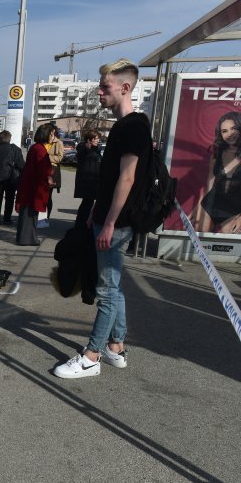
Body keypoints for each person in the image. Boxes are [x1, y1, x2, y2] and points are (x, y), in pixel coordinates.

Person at [54, 58, 151, 379]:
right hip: (108, 217)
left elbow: (127, 178)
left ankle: (91, 357)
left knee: (107, 291)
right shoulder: (124, 126)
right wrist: (96, 211)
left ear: (125, 88)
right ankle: (116, 347)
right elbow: (111, 180)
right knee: (114, 285)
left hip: (117, 222)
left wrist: (108, 222)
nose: (99, 92)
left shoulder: (134, 125)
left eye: (105, 87)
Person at [194, 111, 241, 233]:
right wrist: (198, 207)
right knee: (200, 239)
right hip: (211, 204)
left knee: (229, 243)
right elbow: (210, 183)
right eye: (224, 131)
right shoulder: (217, 153)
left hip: (235, 209)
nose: (230, 134)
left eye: (233, 129)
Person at [14, 124, 55, 246]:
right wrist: (49, 176)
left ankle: (27, 238)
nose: (53, 137)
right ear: (46, 135)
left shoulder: (36, 147)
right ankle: (27, 239)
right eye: (52, 134)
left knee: (29, 213)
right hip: (34, 187)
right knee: (30, 213)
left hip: (30, 185)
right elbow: (42, 169)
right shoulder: (40, 149)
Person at [74, 129, 102, 226]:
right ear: (90, 140)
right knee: (87, 202)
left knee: (88, 202)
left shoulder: (96, 150)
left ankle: (83, 222)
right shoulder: (83, 148)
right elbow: (80, 156)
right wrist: (87, 148)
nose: (98, 140)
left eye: (98, 138)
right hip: (87, 181)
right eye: (96, 138)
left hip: (94, 180)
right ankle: (80, 223)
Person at [39, 125, 64, 228]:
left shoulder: (58, 142)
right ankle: (39, 216)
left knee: (48, 196)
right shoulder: (42, 141)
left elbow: (60, 158)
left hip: (53, 171)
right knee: (40, 194)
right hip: (41, 170)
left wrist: (46, 157)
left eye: (50, 131)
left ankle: (46, 217)